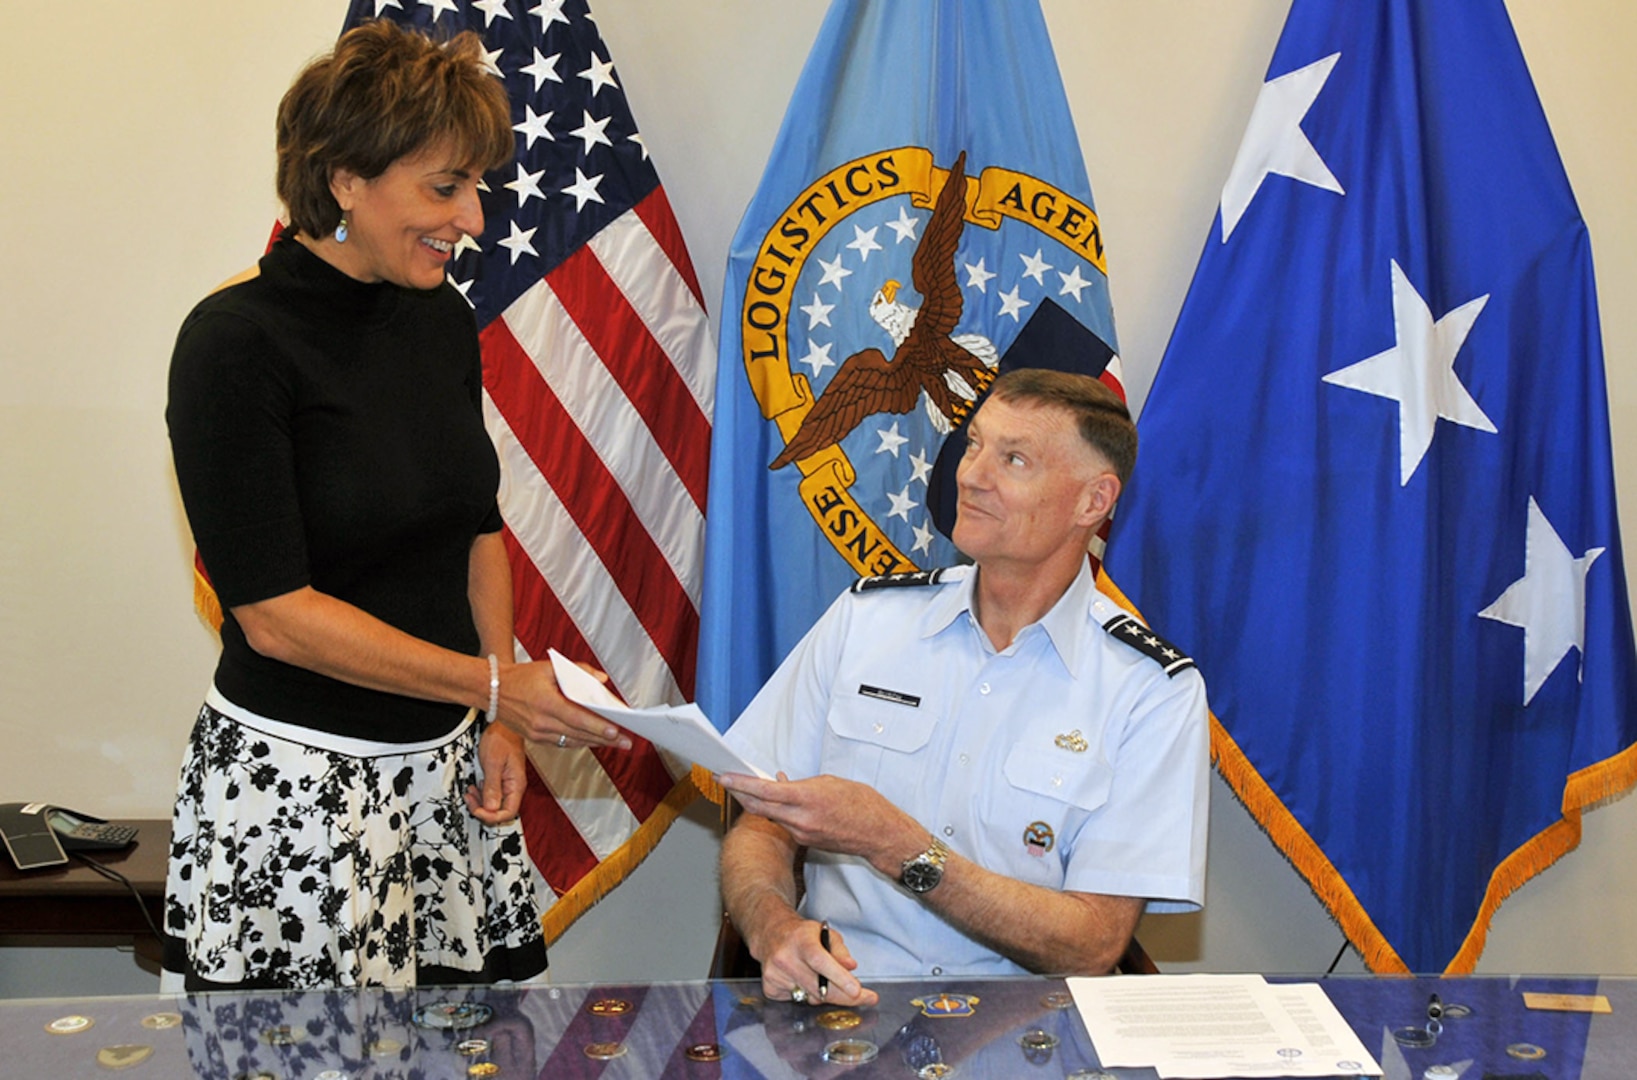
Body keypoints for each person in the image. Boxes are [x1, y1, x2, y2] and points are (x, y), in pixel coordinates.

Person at [162, 20, 630, 991]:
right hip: (296, 799)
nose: (475, 221)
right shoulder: (232, 343)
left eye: (477, 189)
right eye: (444, 187)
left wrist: (492, 712)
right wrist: (493, 689)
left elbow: (476, 528)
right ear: (343, 180)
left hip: (440, 783)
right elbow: (275, 617)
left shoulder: (442, 321)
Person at [717, 368, 1210, 1007]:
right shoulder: (866, 619)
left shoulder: (1150, 688)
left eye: (1014, 459)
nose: (972, 475)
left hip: (1030, 1031)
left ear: (1093, 501)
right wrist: (774, 927)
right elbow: (760, 821)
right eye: (974, 443)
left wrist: (895, 842)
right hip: (844, 1005)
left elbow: (1092, 943)